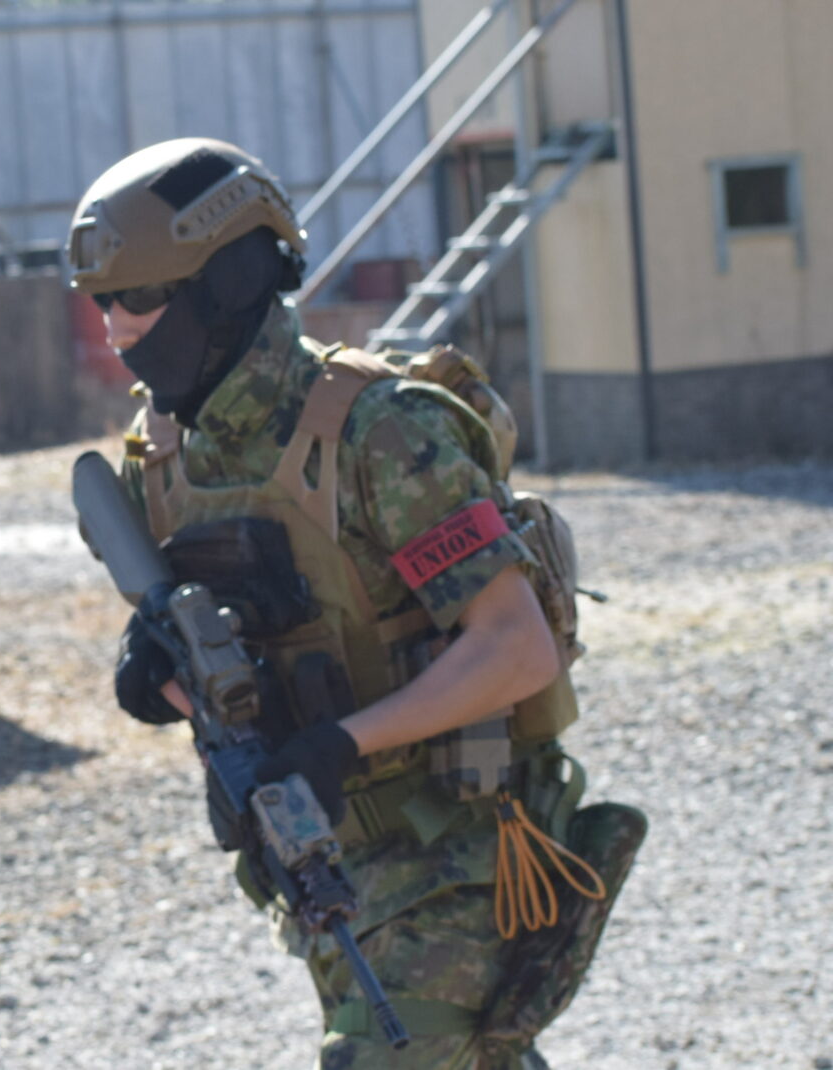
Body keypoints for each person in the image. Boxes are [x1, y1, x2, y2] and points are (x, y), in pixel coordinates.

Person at [68, 137, 645, 1069]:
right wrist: (160, 674)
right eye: (101, 302)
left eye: (137, 296)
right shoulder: (165, 456)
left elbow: (516, 645)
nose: (115, 327)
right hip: (317, 865)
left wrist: (342, 744)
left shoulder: (380, 432)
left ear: (228, 283)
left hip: (458, 853)